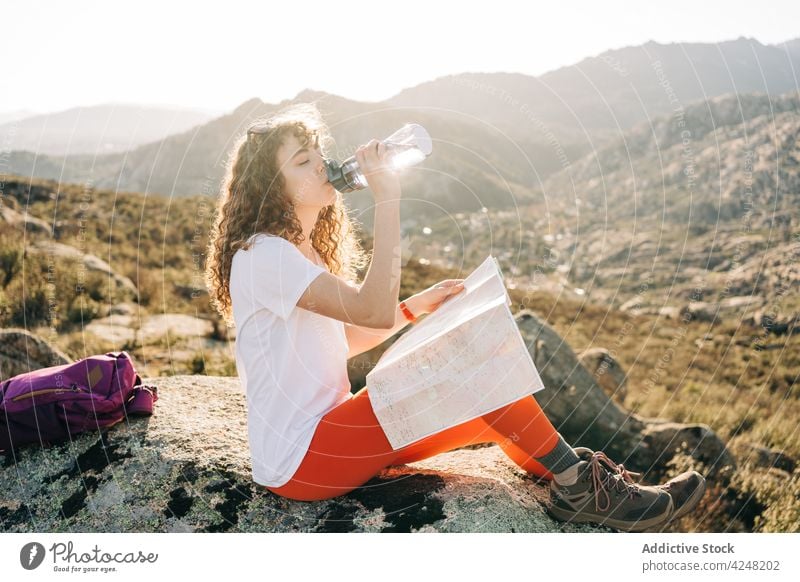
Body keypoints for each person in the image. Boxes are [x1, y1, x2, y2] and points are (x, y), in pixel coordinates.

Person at [204, 103, 706, 532]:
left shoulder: (300, 250)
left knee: (490, 402)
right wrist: (389, 197)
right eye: (302, 162)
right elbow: (369, 307)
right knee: (474, 373)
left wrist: (412, 309)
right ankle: (584, 488)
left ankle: (575, 481)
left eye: (318, 156)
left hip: (327, 440)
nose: (323, 167)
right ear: (271, 187)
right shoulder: (264, 254)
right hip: (305, 457)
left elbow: (344, 342)